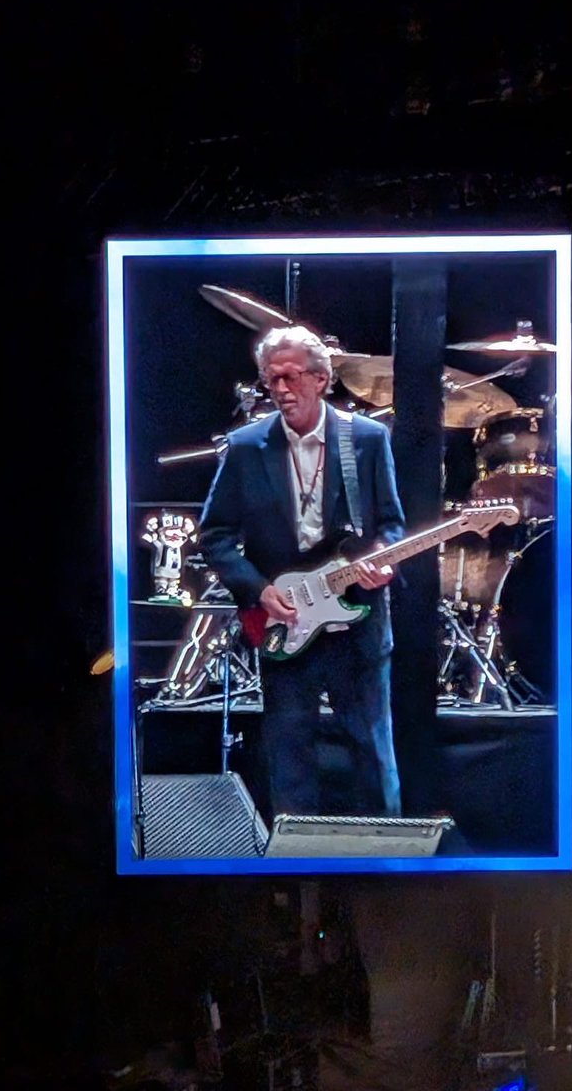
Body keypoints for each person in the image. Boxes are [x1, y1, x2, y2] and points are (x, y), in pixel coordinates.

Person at [199, 325, 406, 818]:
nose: (282, 390)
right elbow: (216, 535)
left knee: (372, 749)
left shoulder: (369, 439)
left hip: (358, 620)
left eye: (291, 378)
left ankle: (387, 868)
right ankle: (296, 872)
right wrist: (258, 589)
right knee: (289, 753)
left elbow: (393, 525)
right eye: (272, 380)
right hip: (286, 620)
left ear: (321, 379)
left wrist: (382, 560)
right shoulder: (247, 446)